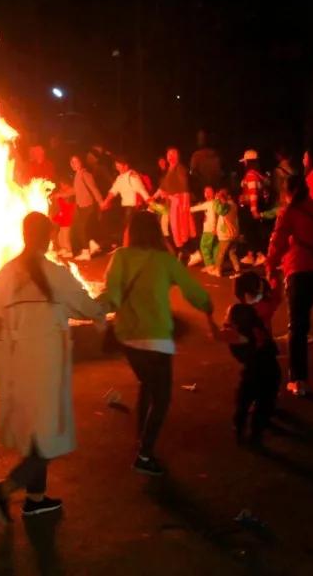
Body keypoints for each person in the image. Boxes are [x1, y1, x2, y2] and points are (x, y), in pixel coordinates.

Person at [0, 212, 104, 523]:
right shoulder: (55, 273)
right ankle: (3, 490)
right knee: (48, 439)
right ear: (48, 237)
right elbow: (87, 305)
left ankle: (36, 500)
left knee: (39, 436)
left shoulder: (7, 273)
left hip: (16, 366)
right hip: (47, 366)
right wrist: (109, 306)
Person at [98, 211, 215, 475]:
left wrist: (89, 309)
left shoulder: (120, 256)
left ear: (130, 231)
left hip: (127, 338)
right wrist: (208, 306)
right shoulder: (165, 261)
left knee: (147, 384)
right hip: (157, 340)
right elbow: (192, 290)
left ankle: (142, 438)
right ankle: (145, 454)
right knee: (161, 398)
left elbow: (111, 295)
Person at [266, 174, 313, 396]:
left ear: (286, 192)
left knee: (298, 327)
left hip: (300, 271)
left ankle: (299, 380)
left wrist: (270, 267)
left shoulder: (288, 213)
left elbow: (277, 242)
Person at [218, 273, 282, 445]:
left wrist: (209, 316)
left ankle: (240, 427)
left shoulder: (238, 317)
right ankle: (257, 429)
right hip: (267, 363)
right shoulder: (263, 309)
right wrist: (272, 275)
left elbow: (220, 335)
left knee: (245, 397)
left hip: (252, 366)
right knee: (265, 397)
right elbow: (277, 295)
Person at [154, 147, 196, 251]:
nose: (170, 157)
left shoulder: (180, 168)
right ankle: (180, 249)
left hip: (180, 200)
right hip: (172, 202)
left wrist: (185, 203)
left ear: (178, 156)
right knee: (174, 226)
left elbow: (184, 186)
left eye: (173, 154)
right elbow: (163, 186)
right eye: (169, 155)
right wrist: (153, 197)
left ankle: (186, 250)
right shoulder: (170, 169)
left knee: (181, 226)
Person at [70, 154, 104, 261]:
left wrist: (101, 202)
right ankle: (93, 246)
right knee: (83, 228)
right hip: (81, 206)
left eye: (76, 161)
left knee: (81, 228)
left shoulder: (85, 174)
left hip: (88, 205)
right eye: (72, 162)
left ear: (81, 162)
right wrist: (60, 194)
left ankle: (86, 252)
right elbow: (75, 191)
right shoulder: (77, 175)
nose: (74, 164)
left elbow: (94, 189)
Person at [102, 156, 151, 231]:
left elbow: (142, 190)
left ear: (126, 166)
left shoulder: (132, 176)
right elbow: (113, 191)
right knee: (127, 230)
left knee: (128, 230)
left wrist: (151, 203)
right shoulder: (120, 178)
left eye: (119, 166)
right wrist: (106, 202)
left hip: (133, 208)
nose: (117, 168)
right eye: (116, 166)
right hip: (124, 208)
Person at [238, 150, 269, 266]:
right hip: (256, 206)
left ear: (247, 162)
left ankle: (260, 255)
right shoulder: (259, 175)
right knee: (254, 231)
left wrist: (253, 209)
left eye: (245, 162)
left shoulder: (250, 175)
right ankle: (251, 255)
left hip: (251, 207)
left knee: (252, 232)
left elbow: (253, 193)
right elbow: (264, 193)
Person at [207, 188, 241, 277]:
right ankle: (238, 270)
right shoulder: (233, 205)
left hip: (226, 234)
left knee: (221, 253)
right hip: (234, 233)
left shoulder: (227, 205)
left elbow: (218, 209)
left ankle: (218, 270)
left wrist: (217, 200)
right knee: (232, 253)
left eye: (222, 196)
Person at [187, 186, 219, 268]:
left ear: (214, 193)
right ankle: (216, 265)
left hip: (209, 230)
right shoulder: (216, 203)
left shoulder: (209, 204)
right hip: (216, 230)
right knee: (215, 247)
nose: (207, 194)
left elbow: (194, 209)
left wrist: (183, 208)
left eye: (209, 192)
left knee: (204, 246)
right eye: (205, 192)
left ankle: (209, 265)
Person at [189, 129, 222, 194]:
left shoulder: (197, 156)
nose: (200, 139)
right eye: (200, 137)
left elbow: (193, 173)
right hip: (210, 190)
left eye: (202, 137)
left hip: (204, 191)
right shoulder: (217, 155)